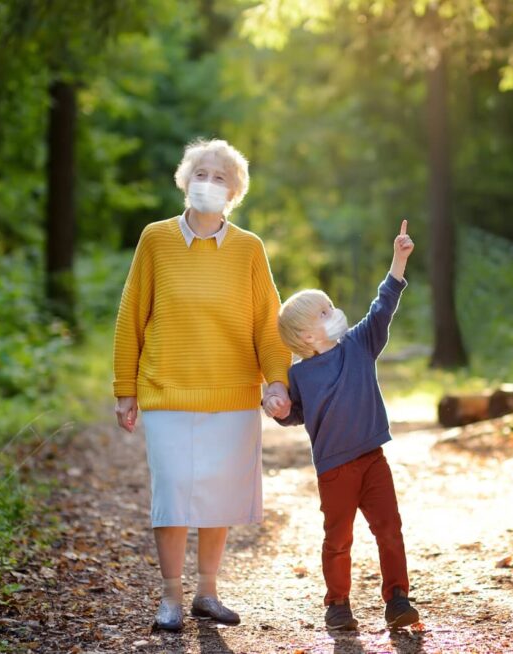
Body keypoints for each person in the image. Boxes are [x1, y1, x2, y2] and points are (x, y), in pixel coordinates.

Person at [113, 138, 292, 631]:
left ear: (234, 193)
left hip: (233, 395)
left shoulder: (249, 249)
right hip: (167, 391)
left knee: (217, 495)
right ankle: (170, 597)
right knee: (171, 495)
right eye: (201, 173)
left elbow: (267, 323)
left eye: (220, 178)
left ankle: (207, 592)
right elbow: (131, 316)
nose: (208, 183)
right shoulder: (156, 239)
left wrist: (277, 381)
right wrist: (124, 387)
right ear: (184, 179)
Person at [269, 220, 421, 631]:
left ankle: (398, 598)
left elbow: (382, 307)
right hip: (334, 469)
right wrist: (282, 410)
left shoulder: (359, 343)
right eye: (324, 312)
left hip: (373, 459)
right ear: (305, 335)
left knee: (390, 530)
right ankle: (337, 604)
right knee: (338, 540)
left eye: (331, 306)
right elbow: (298, 412)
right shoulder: (300, 374)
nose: (334, 313)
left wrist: (398, 261)